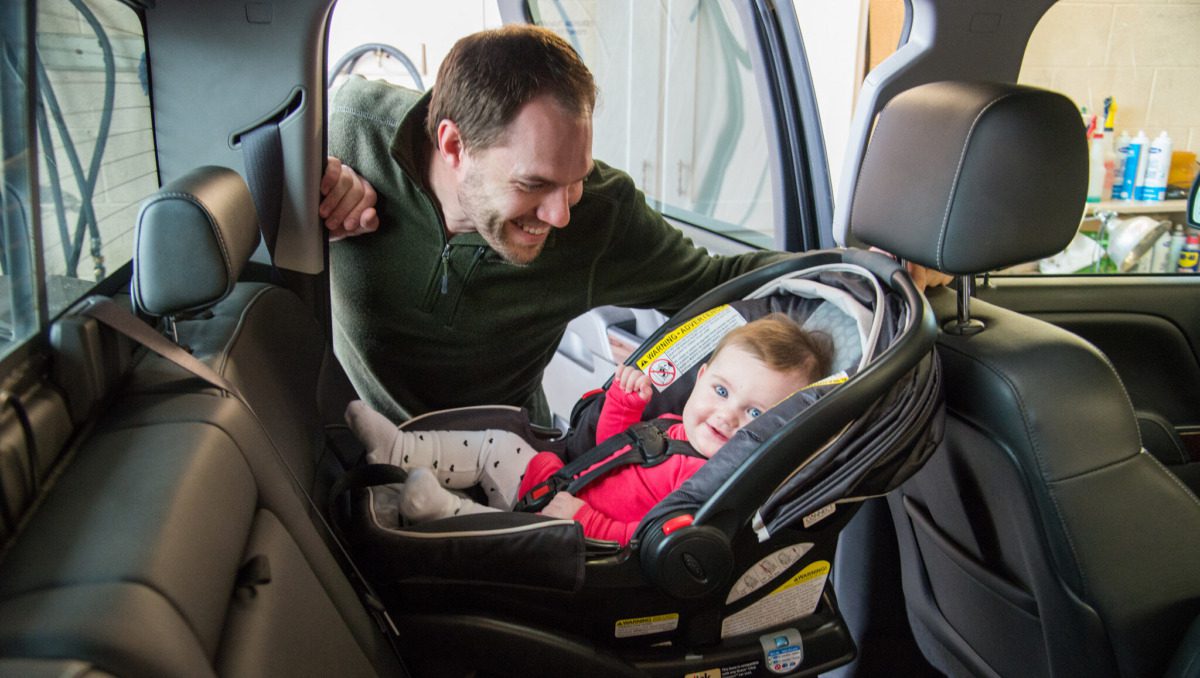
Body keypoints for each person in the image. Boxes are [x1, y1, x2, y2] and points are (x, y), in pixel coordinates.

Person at [321, 25, 951, 427]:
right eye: (534, 185)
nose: (560, 214)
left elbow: (718, 279)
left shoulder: (601, 215)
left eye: (574, 180)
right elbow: (228, 205)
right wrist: (300, 193)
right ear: (453, 145)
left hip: (505, 461)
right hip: (352, 434)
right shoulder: (344, 130)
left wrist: (869, 268)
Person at [346, 313, 833, 545]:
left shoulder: (713, 482)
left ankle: (441, 512)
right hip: (556, 479)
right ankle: (401, 447)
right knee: (502, 443)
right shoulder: (670, 424)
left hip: (573, 534)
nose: (726, 417)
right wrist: (624, 402)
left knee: (506, 535)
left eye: (753, 415)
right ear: (701, 379)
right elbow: (609, 448)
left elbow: (651, 538)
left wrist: (584, 519)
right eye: (723, 393)